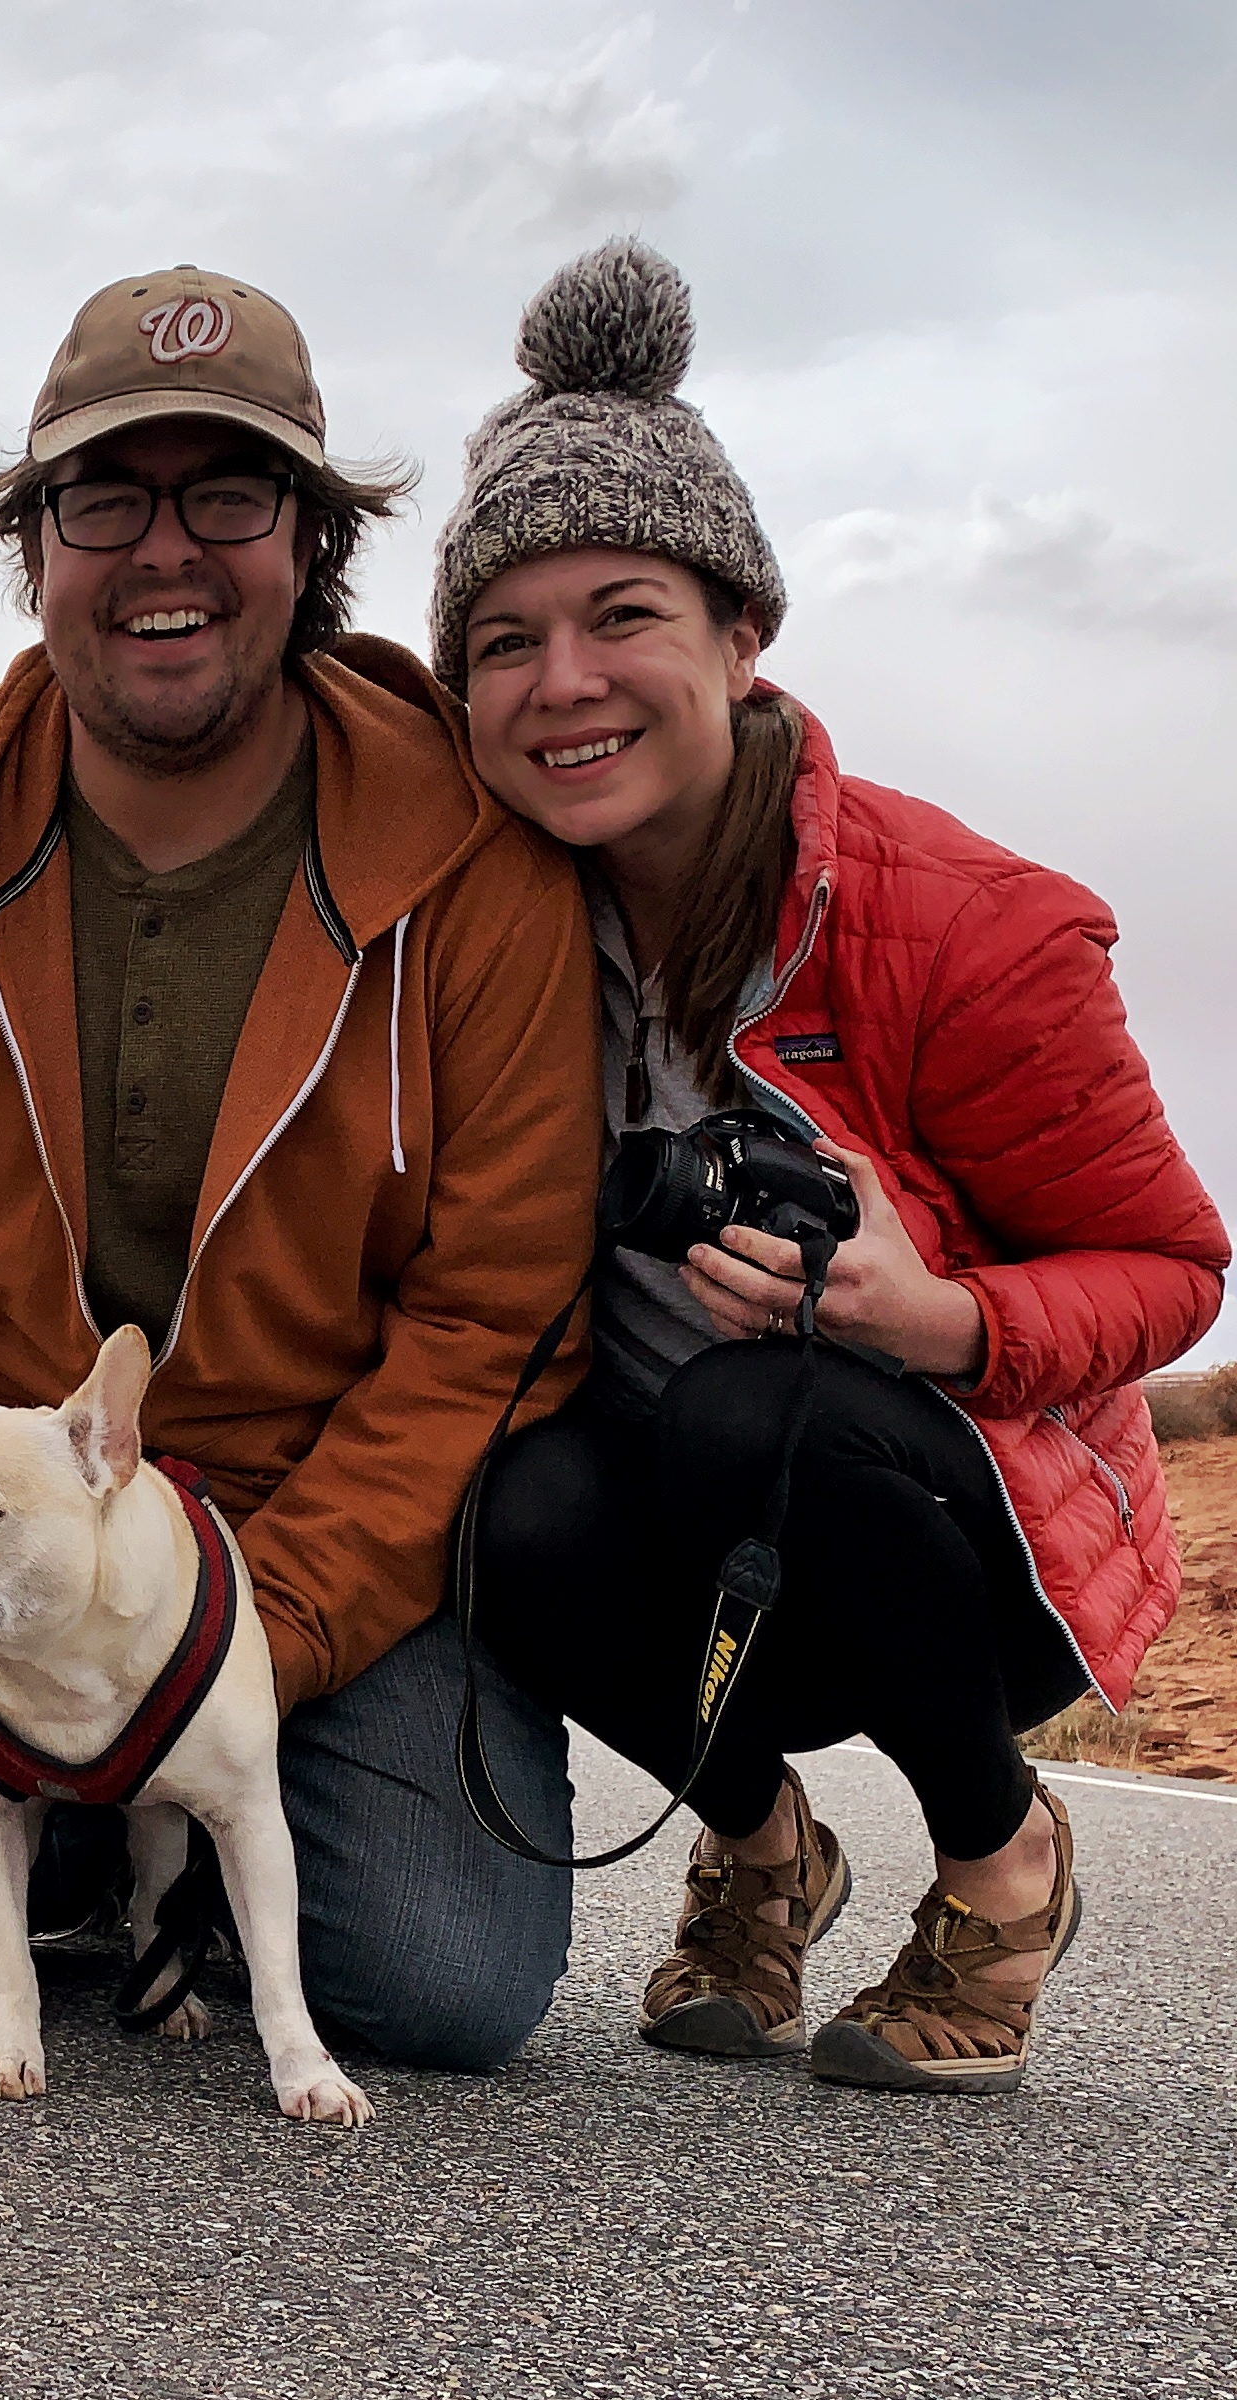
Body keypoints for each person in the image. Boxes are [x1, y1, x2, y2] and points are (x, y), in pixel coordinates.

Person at [0, 264, 601, 2071]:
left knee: (434, 1990)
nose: (164, 554)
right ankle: (80, 1840)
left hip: (317, 1542)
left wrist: (276, 1625)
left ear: (312, 541)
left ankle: (183, 1835)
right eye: (104, 500)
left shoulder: (475, 865)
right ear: (35, 543)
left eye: (230, 497)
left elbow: (498, 1313)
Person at [436, 238, 1229, 2093]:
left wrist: (932, 1316)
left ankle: (998, 1861)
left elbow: (1173, 1268)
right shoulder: (482, 922)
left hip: (961, 1536)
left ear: (740, 634)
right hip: (698, 1558)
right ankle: (765, 1847)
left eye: (622, 616)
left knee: (743, 1409)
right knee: (502, 1505)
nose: (565, 684)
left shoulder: (959, 925)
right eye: (503, 641)